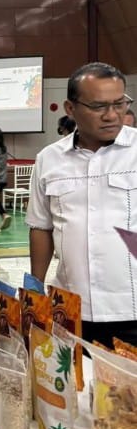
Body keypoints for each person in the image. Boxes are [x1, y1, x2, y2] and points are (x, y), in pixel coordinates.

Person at [27, 61, 137, 347]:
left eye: (119, 104)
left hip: (131, 306)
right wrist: (35, 288)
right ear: (70, 108)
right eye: (99, 106)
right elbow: (41, 227)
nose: (111, 115)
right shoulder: (49, 159)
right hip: (69, 306)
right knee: (72, 375)